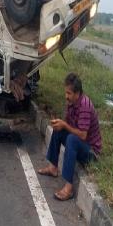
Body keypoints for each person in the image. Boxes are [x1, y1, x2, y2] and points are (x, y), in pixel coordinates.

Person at [38, 73, 102, 201]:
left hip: (90, 152)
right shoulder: (72, 103)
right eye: (66, 92)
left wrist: (65, 125)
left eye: (69, 93)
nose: (66, 96)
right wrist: (59, 124)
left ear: (77, 93)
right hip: (80, 143)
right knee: (58, 129)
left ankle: (69, 188)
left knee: (71, 139)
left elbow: (83, 135)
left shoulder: (85, 105)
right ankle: (53, 167)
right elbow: (67, 125)